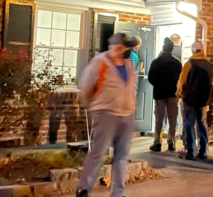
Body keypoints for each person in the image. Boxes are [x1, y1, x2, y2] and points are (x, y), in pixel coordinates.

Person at [75, 33, 137, 197]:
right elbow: (86, 87)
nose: (129, 50)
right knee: (98, 153)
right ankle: (84, 188)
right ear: (116, 47)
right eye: (126, 47)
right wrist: (94, 107)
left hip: (126, 114)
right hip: (105, 113)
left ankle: (118, 193)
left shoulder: (129, 63)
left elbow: (131, 86)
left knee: (122, 156)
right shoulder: (100, 63)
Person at [177, 41, 213, 160]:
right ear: (202, 50)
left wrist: (179, 94)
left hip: (190, 99)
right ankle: (203, 151)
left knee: (189, 125)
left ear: (193, 50)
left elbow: (182, 81)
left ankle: (191, 150)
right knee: (202, 124)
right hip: (203, 100)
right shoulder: (208, 65)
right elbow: (211, 83)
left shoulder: (189, 64)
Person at [147, 37, 183, 152]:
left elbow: (151, 78)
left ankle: (157, 142)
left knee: (159, 119)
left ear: (163, 48)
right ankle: (171, 142)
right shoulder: (177, 63)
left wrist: (158, 85)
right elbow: (180, 79)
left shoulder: (156, 62)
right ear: (172, 49)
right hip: (173, 94)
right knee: (172, 119)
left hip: (159, 94)